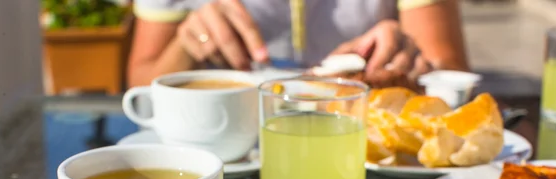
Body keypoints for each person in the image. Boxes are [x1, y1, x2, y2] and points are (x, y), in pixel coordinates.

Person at [127, 0, 469, 87]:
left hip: (359, 146)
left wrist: (405, 58)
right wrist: (186, 47)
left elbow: (448, 70)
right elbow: (141, 82)